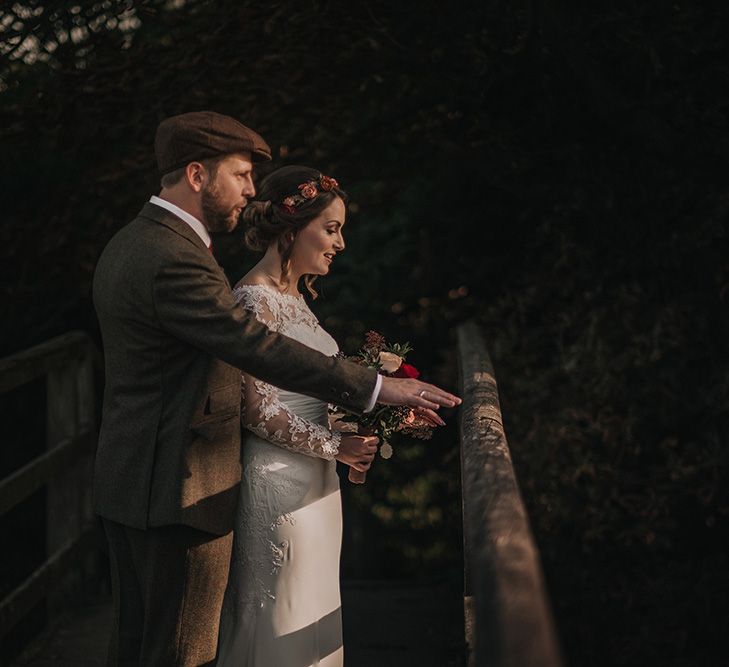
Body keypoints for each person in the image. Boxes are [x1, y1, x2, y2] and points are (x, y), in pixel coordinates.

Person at [91, 111, 460, 667]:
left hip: (135, 478)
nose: (249, 190)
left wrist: (350, 420)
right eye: (240, 174)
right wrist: (376, 389)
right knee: (180, 653)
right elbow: (255, 349)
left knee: (141, 645)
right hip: (176, 487)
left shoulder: (133, 242)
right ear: (197, 174)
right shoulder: (176, 260)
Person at [216, 166, 439, 666]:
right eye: (332, 229)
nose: (340, 243)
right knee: (279, 620)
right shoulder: (253, 300)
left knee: (313, 620)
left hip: (318, 485)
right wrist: (338, 446)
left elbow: (311, 397)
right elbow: (257, 408)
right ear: (291, 228)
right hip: (276, 490)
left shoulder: (296, 299)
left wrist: (356, 431)